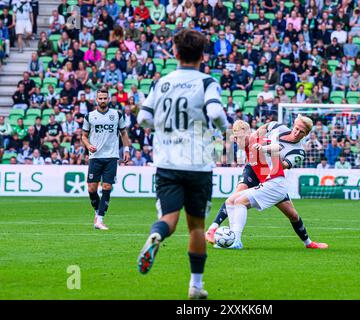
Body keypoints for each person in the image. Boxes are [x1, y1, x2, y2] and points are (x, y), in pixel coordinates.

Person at [136, 29, 228, 300]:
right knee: (196, 226)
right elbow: (215, 112)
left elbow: (143, 118)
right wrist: (227, 131)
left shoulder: (161, 82)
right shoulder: (207, 82)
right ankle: (196, 286)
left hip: (167, 163)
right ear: (203, 56)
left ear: (175, 53)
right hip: (198, 164)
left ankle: (155, 237)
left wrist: (164, 129)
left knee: (168, 220)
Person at [205, 118, 328, 251]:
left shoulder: (298, 152)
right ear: (293, 125)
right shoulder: (278, 128)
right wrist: (252, 141)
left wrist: (264, 149)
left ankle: (308, 242)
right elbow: (263, 128)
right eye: (296, 129)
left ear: (306, 134)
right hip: (254, 169)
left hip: (271, 177)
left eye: (301, 132)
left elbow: (281, 165)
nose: (297, 133)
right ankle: (216, 230)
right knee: (234, 199)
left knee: (292, 214)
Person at [81, 88, 131, 230]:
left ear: (108, 99)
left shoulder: (116, 114)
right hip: (95, 157)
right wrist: (88, 145)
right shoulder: (89, 116)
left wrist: (126, 150)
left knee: (107, 186)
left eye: (105, 98)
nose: (103, 100)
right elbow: (84, 136)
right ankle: (97, 213)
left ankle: (100, 219)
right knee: (91, 189)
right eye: (100, 98)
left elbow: (123, 133)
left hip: (111, 156)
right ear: (96, 100)